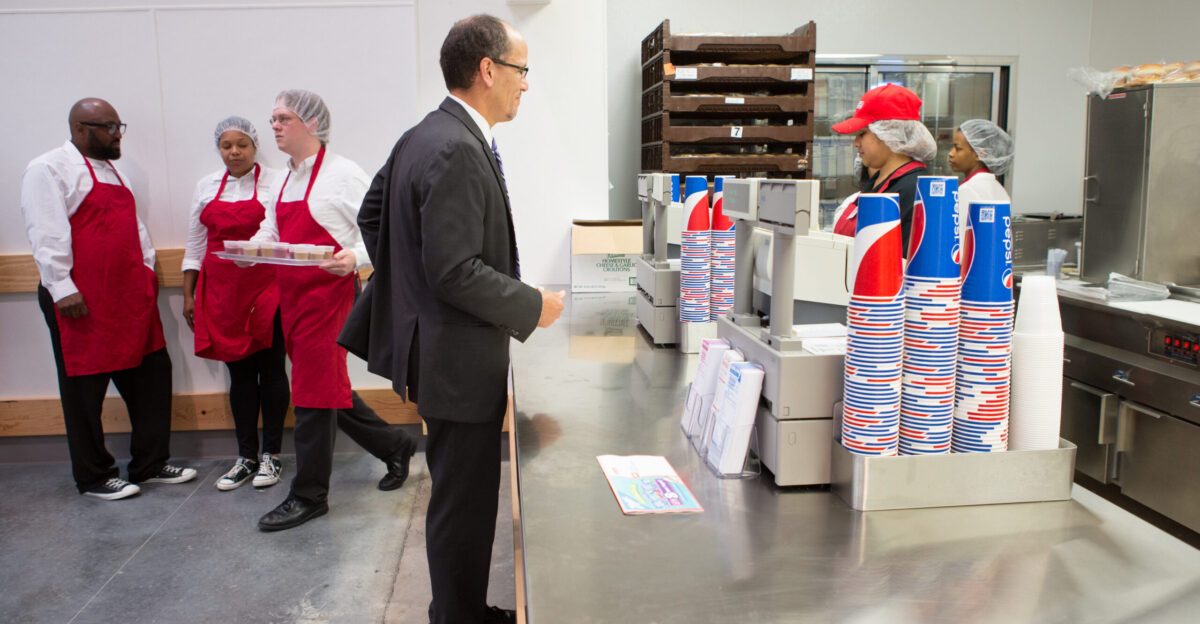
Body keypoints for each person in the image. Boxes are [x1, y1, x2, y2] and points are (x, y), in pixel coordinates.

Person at [347, 15, 564, 624]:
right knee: (462, 502)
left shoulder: (424, 135)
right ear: (488, 69)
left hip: (439, 351)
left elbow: (374, 214)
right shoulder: (456, 148)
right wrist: (531, 305)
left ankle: (460, 607)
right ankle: (458, 617)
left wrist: (408, 290)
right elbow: (455, 271)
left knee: (459, 496)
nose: (525, 85)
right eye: (521, 71)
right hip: (457, 361)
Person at [250, 89, 418, 532]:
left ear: (311, 123)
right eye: (272, 119)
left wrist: (356, 257)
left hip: (329, 300)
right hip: (293, 298)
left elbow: (385, 230)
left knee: (309, 393)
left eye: (283, 118)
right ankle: (395, 445)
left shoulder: (344, 176)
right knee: (323, 389)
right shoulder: (282, 179)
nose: (275, 127)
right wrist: (252, 248)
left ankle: (309, 495)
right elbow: (272, 227)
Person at [21, 98, 197, 500]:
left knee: (152, 376)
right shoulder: (47, 168)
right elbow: (45, 232)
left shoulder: (114, 173)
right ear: (81, 129)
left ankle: (150, 464)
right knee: (84, 390)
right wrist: (62, 288)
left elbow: (135, 230)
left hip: (129, 296)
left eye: (120, 127)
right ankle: (94, 476)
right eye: (109, 128)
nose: (118, 135)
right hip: (80, 298)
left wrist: (147, 271)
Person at [182, 116, 289, 491]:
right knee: (239, 374)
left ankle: (271, 456)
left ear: (255, 146)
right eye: (227, 146)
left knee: (272, 370)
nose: (234, 152)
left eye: (241, 144)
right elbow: (195, 243)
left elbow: (280, 232)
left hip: (265, 287)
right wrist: (188, 292)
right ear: (219, 149)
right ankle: (245, 456)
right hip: (222, 290)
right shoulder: (205, 186)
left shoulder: (276, 182)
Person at [831, 84, 937, 252]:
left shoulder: (914, 189)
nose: (856, 143)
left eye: (863, 134)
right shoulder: (878, 181)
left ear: (889, 133)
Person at [949, 119, 1014, 244]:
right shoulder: (999, 189)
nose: (951, 153)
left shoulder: (967, 190)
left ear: (981, 153)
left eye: (958, 148)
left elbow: (959, 245)